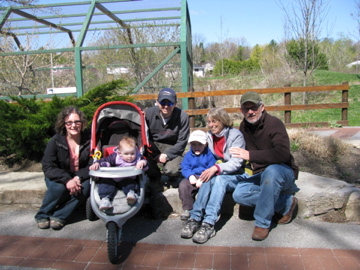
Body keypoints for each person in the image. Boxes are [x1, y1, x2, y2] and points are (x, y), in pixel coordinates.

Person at [229, 91, 299, 241]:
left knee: (272, 171)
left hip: (282, 171)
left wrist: (251, 155)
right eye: (246, 109)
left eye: (253, 107)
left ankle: (262, 223)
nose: (250, 112)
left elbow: (282, 154)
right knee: (239, 194)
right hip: (260, 175)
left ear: (262, 107)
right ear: (241, 111)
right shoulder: (243, 127)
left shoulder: (275, 124)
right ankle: (286, 203)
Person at [181, 108, 246, 244]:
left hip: (237, 174)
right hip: (219, 172)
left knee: (218, 179)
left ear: (222, 121)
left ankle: (209, 223)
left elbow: (236, 162)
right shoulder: (209, 136)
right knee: (208, 176)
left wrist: (216, 168)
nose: (211, 125)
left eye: (214, 121)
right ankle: (195, 218)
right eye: (209, 122)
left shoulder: (235, 136)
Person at [34, 106, 91, 230]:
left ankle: (60, 215)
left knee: (86, 188)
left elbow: (92, 164)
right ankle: (42, 214)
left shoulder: (90, 140)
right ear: (63, 124)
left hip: (79, 175)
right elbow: (48, 166)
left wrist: (78, 177)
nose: (73, 125)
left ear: (82, 123)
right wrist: (67, 180)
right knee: (59, 188)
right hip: (59, 176)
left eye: (77, 122)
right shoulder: (55, 141)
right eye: (69, 122)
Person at [89, 136, 148, 210]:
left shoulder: (138, 158)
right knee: (105, 184)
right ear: (120, 153)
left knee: (130, 183)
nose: (130, 156)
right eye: (126, 154)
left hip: (127, 178)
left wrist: (143, 162)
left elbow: (146, 163)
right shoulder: (116, 157)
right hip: (113, 178)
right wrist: (97, 164)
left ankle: (131, 194)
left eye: (132, 153)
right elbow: (105, 160)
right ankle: (105, 200)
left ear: (136, 151)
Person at [145, 88, 190, 184]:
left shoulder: (183, 116)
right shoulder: (148, 114)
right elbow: (144, 137)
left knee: (172, 170)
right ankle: (154, 177)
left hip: (173, 146)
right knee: (145, 163)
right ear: (157, 102)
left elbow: (182, 142)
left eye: (169, 103)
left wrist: (167, 154)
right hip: (153, 146)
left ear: (175, 103)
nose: (166, 106)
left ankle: (172, 177)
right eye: (162, 103)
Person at [178, 130, 217, 221]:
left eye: (200, 144)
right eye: (193, 144)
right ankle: (188, 208)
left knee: (208, 187)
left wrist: (202, 179)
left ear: (206, 144)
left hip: (206, 176)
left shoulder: (209, 154)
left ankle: (204, 209)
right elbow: (185, 167)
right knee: (183, 185)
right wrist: (190, 175)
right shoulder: (188, 155)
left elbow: (211, 168)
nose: (196, 147)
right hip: (193, 176)